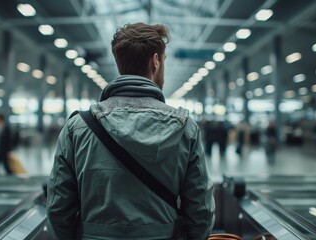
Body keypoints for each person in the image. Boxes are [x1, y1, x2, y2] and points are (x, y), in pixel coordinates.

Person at [47, 22, 215, 239]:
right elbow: (201, 210)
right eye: (163, 61)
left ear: (120, 63)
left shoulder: (77, 127)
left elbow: (58, 209)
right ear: (155, 62)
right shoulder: (186, 128)